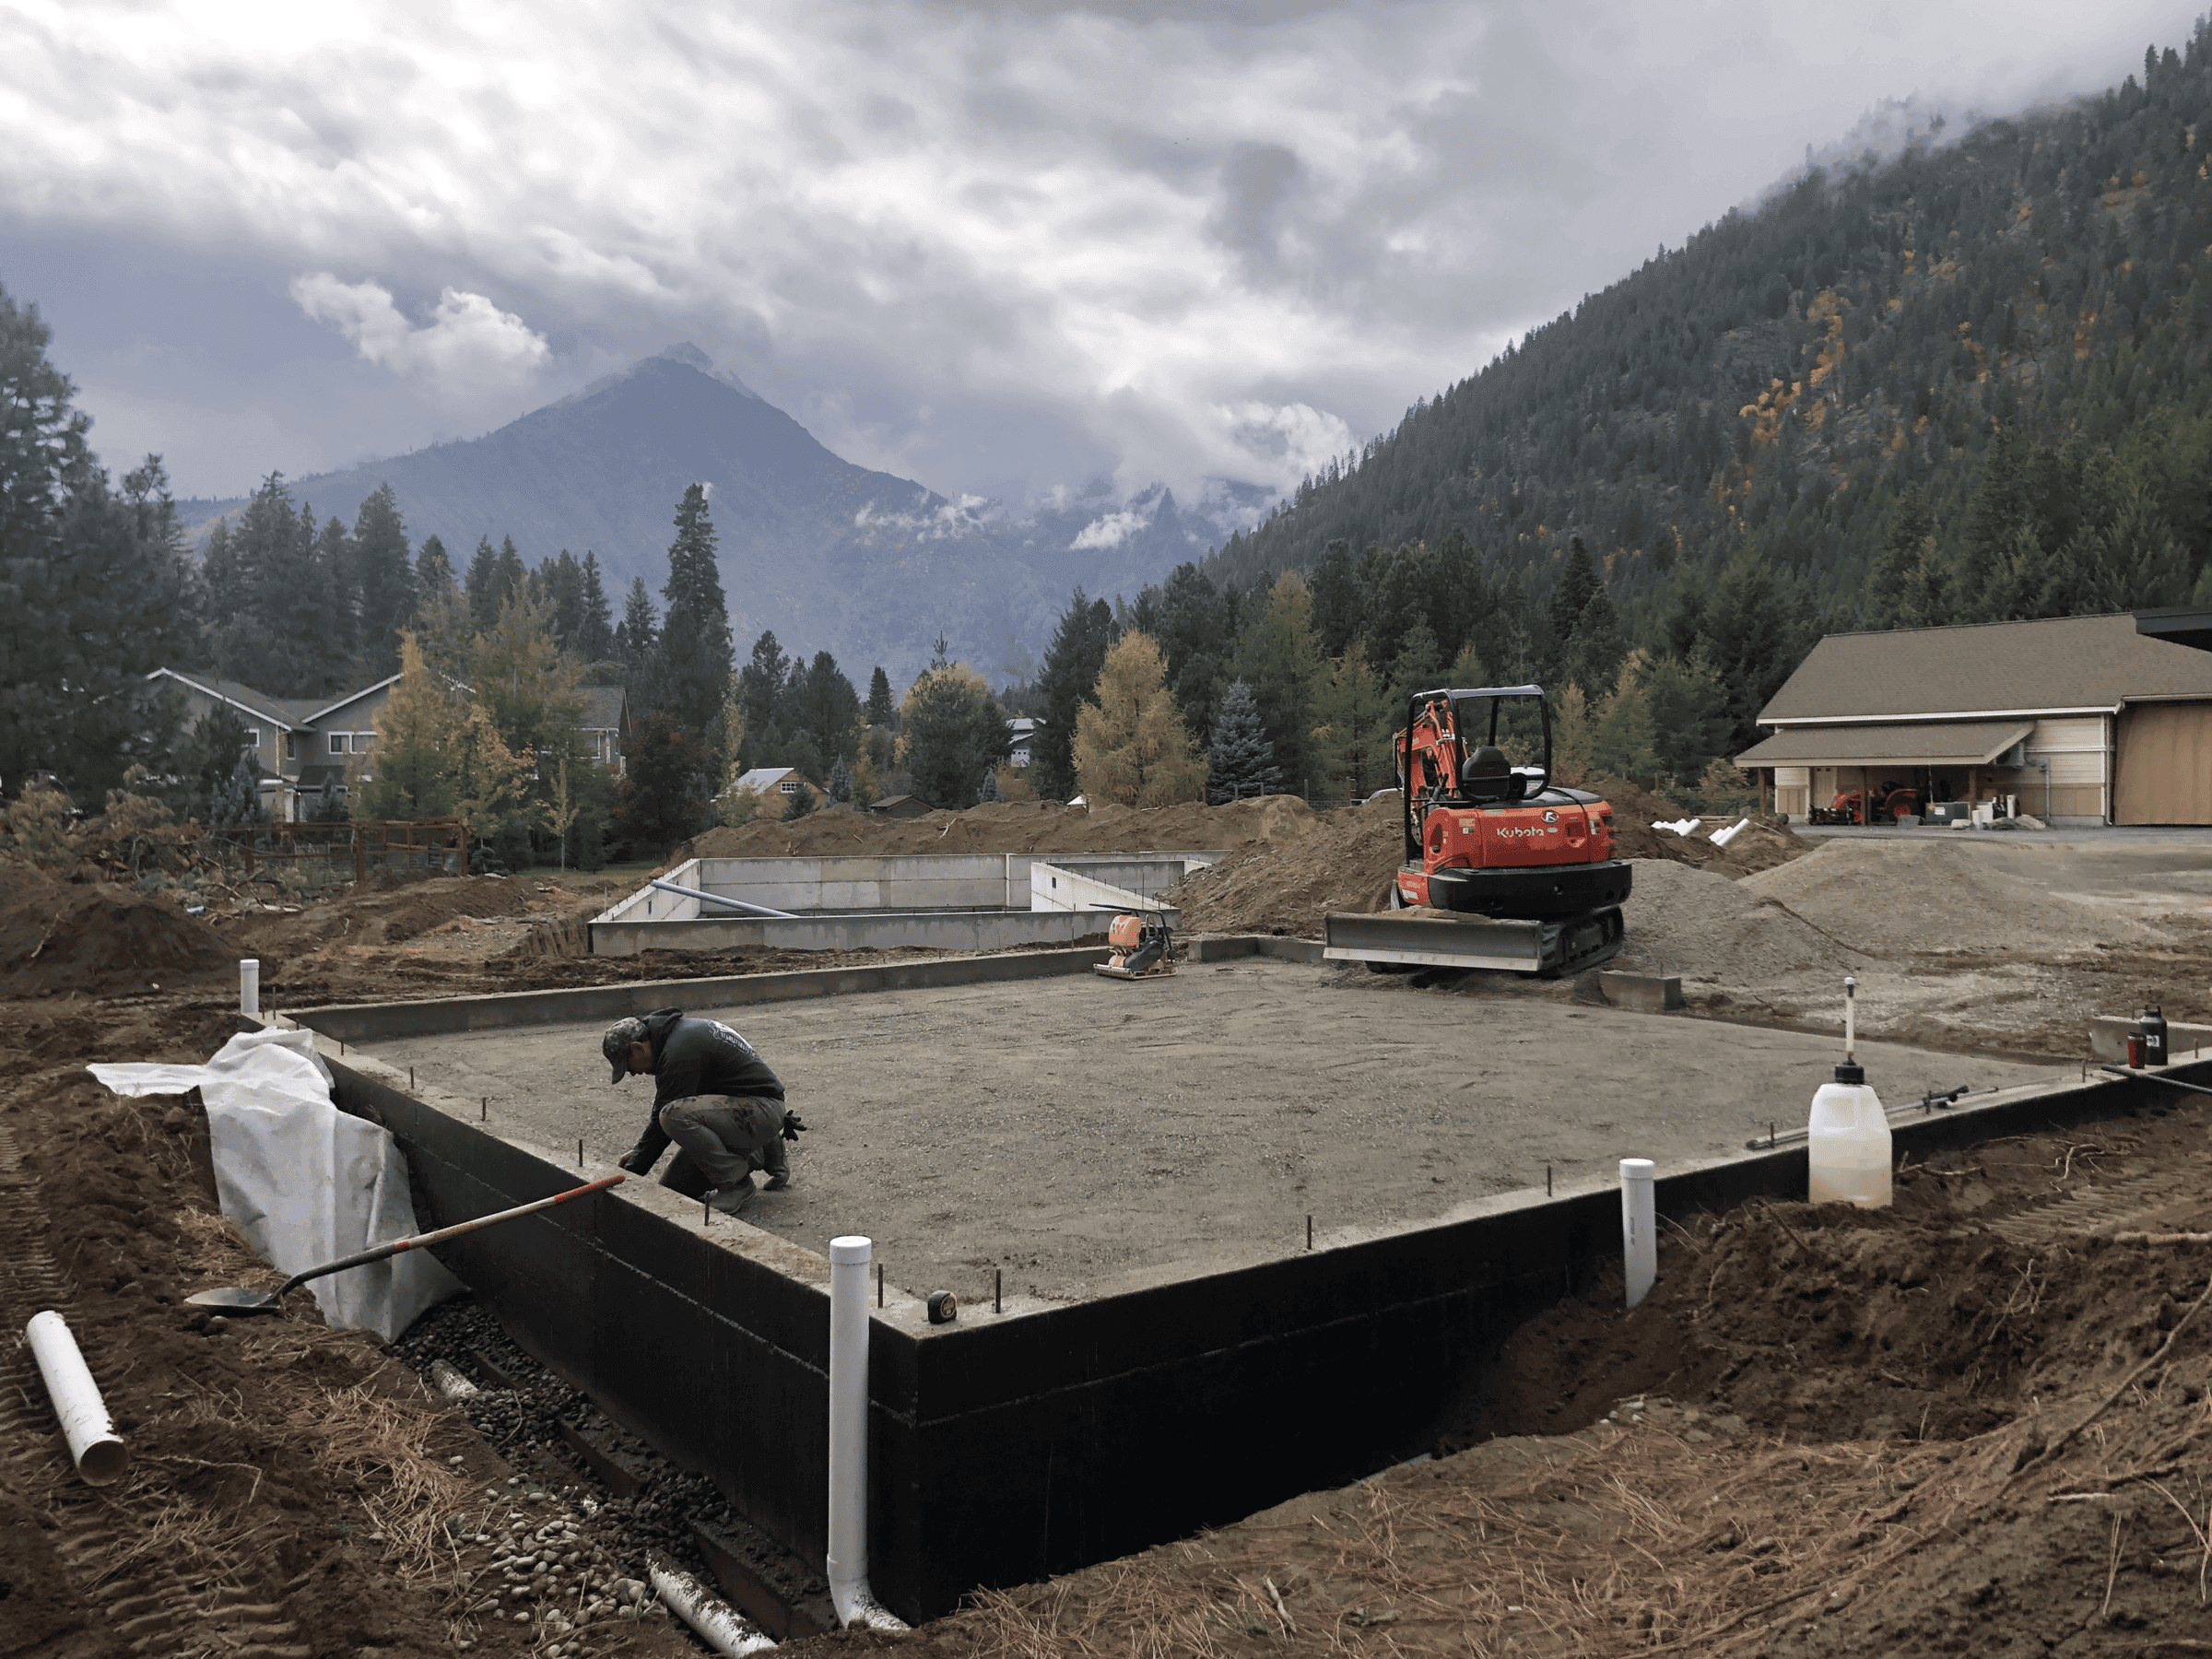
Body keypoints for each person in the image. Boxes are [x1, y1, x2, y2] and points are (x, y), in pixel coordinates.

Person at [603, 1006, 806, 1214]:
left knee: (672, 1115)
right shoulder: (678, 1035)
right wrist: (639, 1154)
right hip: (755, 1110)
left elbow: (660, 1126)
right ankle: (765, 1151)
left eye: (628, 1068)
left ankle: (735, 1184)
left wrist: (632, 1171)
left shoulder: (679, 1050)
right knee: (674, 1189)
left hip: (759, 1111)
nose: (633, 1074)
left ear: (638, 1048)